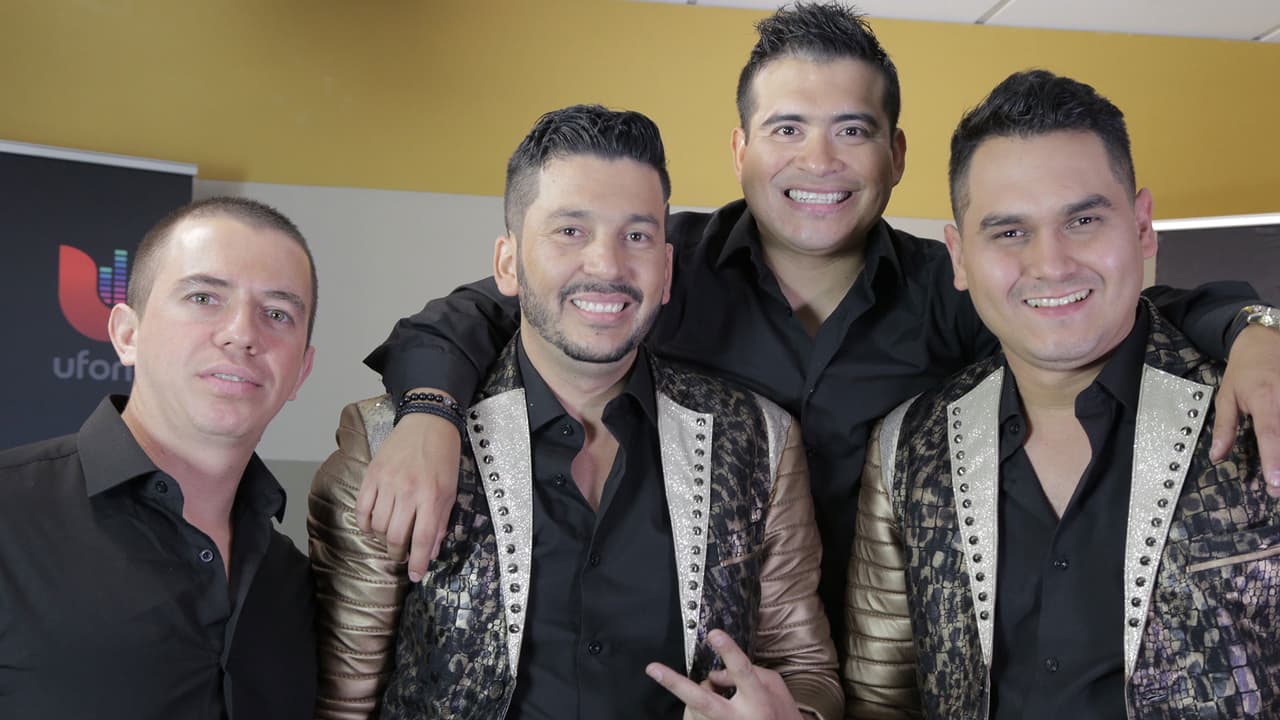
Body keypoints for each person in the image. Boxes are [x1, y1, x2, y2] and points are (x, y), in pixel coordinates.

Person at [357, 2, 1280, 644]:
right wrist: (430, 414)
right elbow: (475, 314)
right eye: (788, 128)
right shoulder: (656, 266)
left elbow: (1103, 307)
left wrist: (1251, 329)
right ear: (741, 149)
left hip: (903, 659)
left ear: (896, 153)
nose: (820, 161)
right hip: (716, 662)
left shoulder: (954, 289)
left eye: (853, 129)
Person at [309, 105, 842, 719]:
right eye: (570, 231)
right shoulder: (389, 441)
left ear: (667, 270)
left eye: (637, 236)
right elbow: (341, 702)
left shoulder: (760, 440)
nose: (608, 266)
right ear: (507, 264)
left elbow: (805, 670)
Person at [843, 69, 1280, 719]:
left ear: (1142, 226)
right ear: (959, 256)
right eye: (1009, 232)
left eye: (1083, 220)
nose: (1050, 264)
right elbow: (882, 699)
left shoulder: (1258, 406)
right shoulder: (909, 445)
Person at [0, 197, 319, 719]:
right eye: (203, 297)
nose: (243, 333)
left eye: (277, 313)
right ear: (128, 335)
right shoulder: (9, 515)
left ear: (300, 372)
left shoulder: (296, 581)